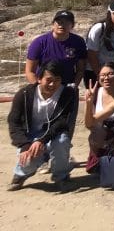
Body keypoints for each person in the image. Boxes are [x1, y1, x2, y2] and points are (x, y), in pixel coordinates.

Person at [8, 61, 77, 191]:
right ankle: (21, 174)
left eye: (57, 80)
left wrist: (42, 140)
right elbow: (13, 122)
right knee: (28, 159)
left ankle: (61, 176)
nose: (52, 84)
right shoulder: (24, 94)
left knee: (62, 142)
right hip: (30, 136)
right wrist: (24, 144)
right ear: (39, 79)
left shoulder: (67, 94)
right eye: (48, 80)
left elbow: (62, 122)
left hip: (53, 134)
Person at [25, 9, 87, 89]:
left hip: (67, 87)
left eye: (66, 22)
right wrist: (39, 89)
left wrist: (73, 86)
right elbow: (30, 71)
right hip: (44, 87)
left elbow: (80, 69)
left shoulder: (78, 42)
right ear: (53, 24)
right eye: (59, 22)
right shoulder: (39, 42)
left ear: (72, 25)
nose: (62, 25)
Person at [83, 63, 114, 172]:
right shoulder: (95, 94)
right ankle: (99, 158)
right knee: (97, 131)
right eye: (103, 75)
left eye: (110, 74)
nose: (106, 78)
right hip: (101, 138)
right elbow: (89, 124)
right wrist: (89, 104)